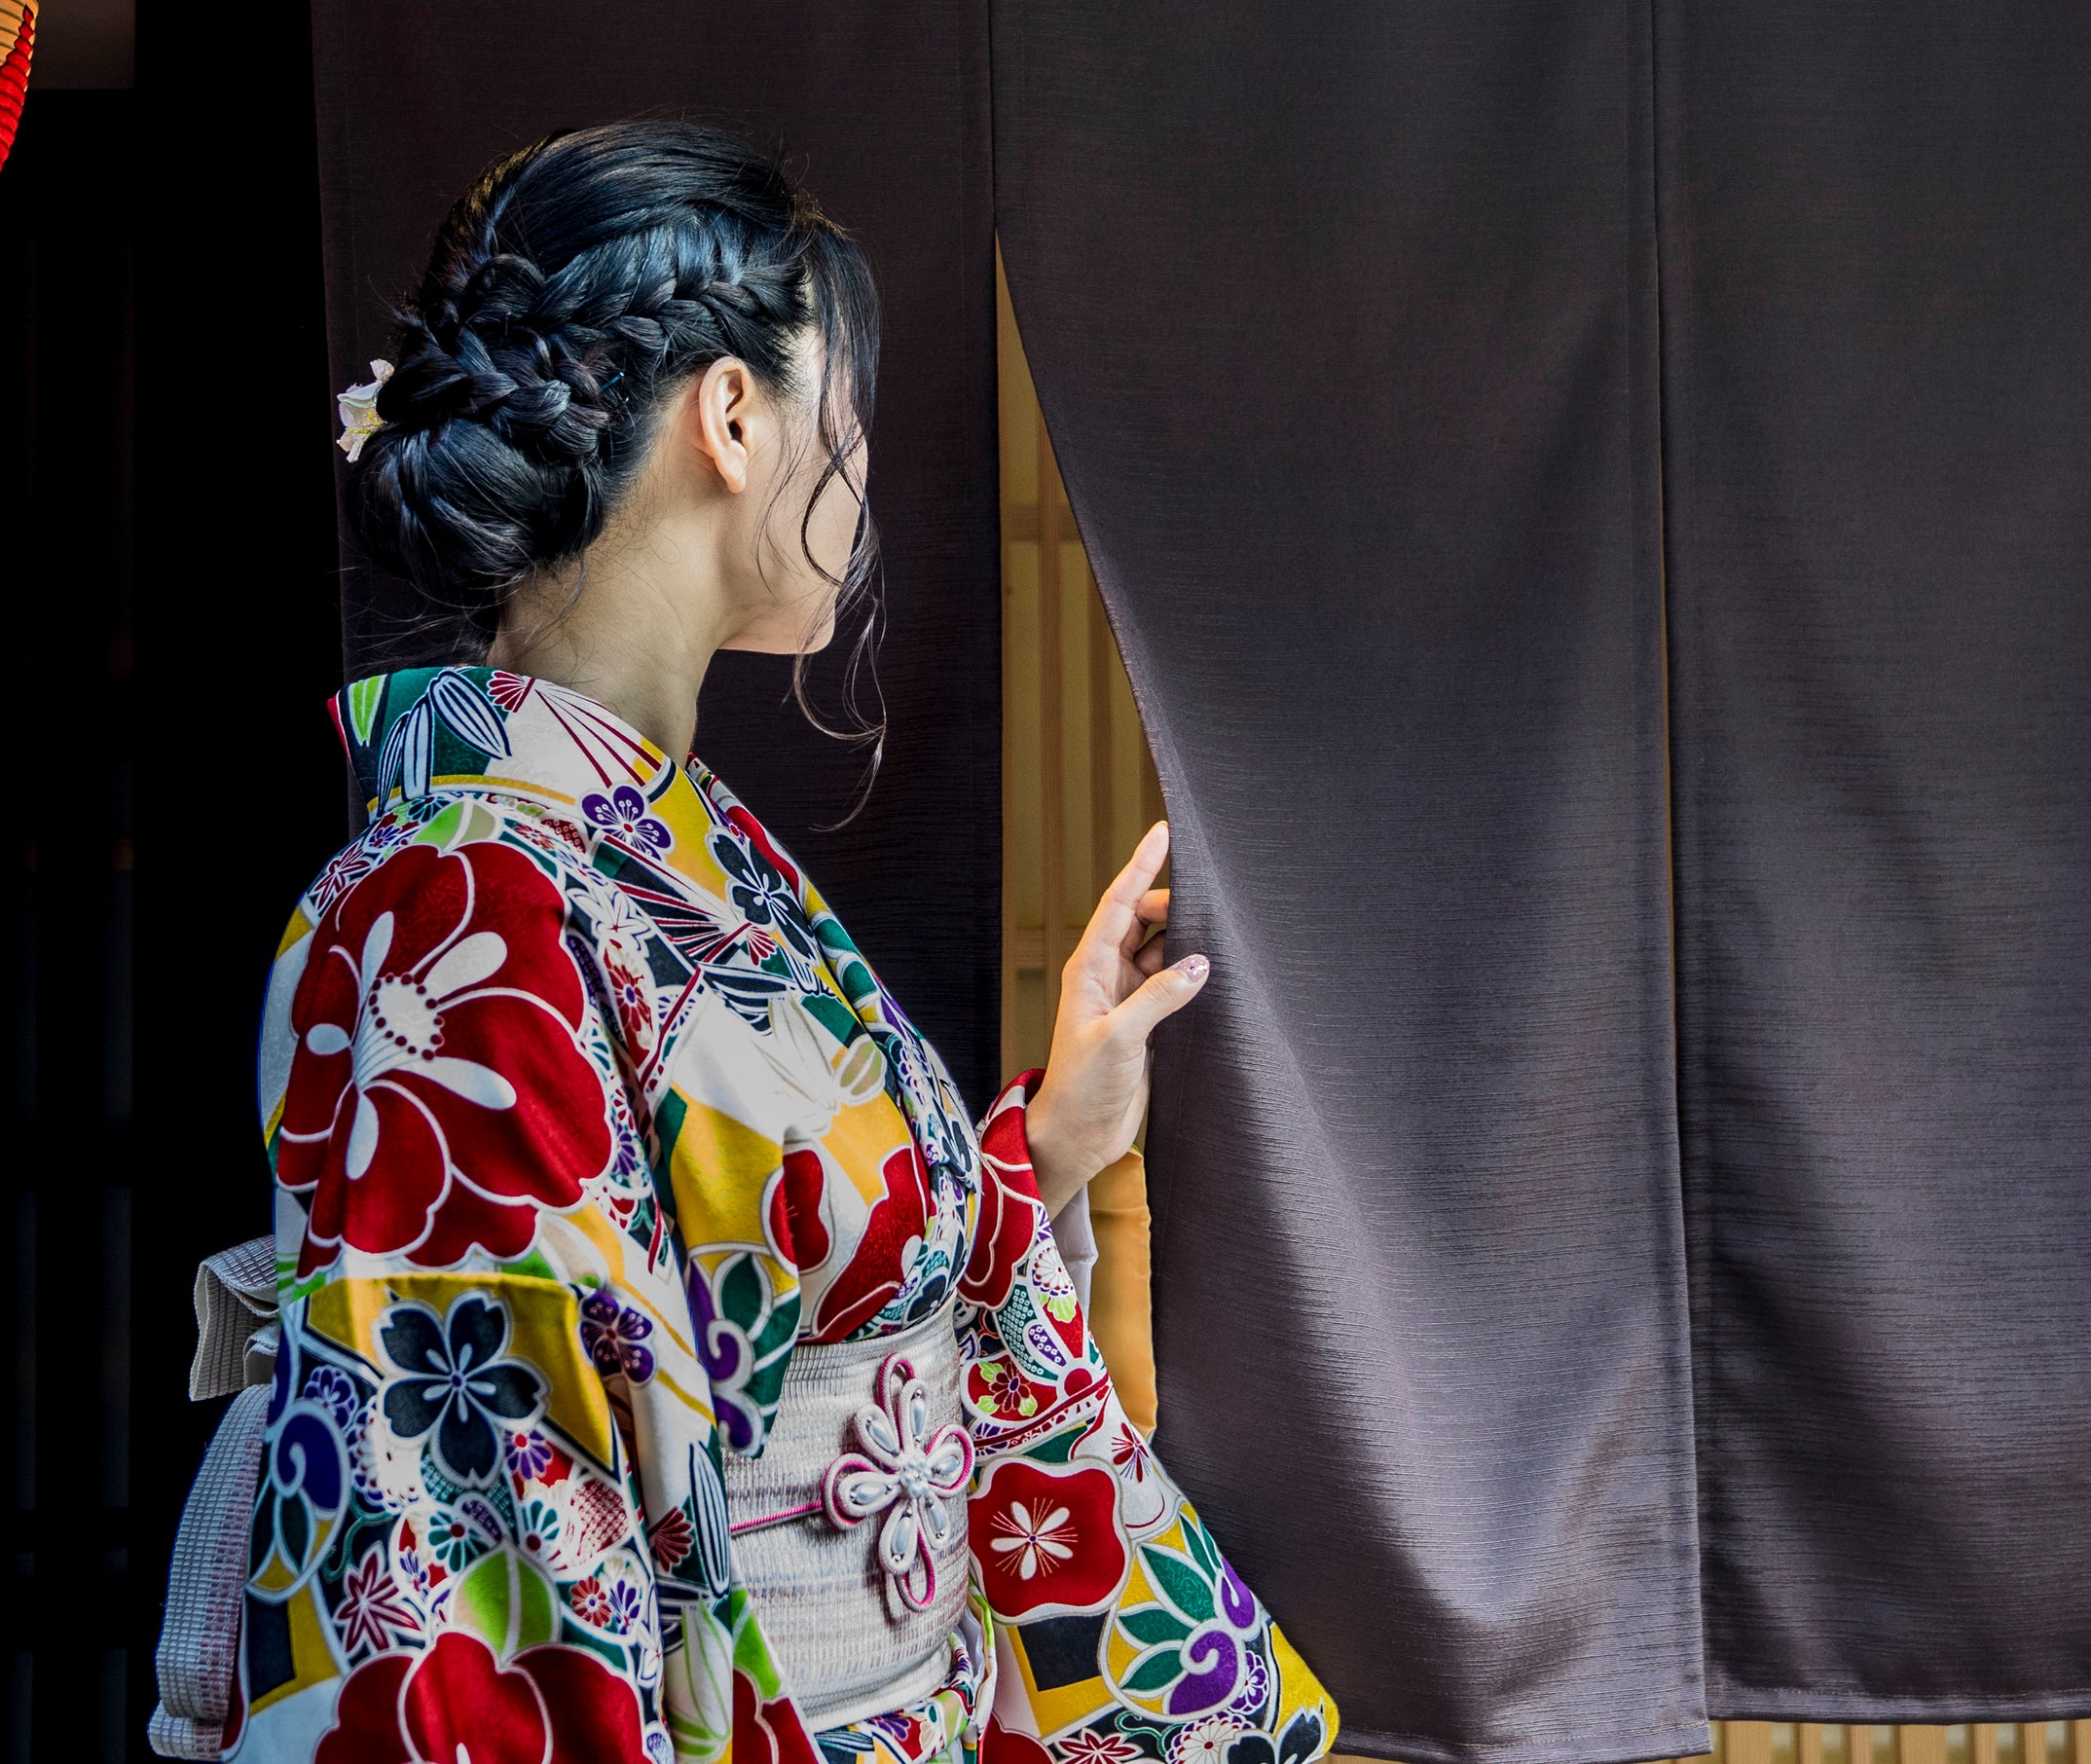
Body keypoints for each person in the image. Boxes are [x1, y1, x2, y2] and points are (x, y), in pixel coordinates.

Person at [176, 124, 1334, 1764]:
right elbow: (477, 1589)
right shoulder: (458, 907)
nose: (857, 463)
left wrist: (1035, 1144)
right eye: (839, 406)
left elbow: (773, 1277)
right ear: (732, 416)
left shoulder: (649, 852)